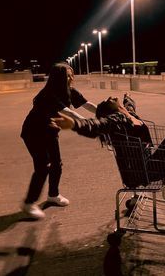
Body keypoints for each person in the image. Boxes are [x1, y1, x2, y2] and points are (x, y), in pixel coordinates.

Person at [50, 94, 165, 185]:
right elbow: (97, 125)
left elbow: (129, 107)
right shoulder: (116, 120)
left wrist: (126, 101)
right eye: (108, 100)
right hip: (143, 171)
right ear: (111, 109)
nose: (110, 97)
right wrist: (74, 124)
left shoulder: (128, 114)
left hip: (149, 162)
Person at [21, 62, 97, 219]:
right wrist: (90, 124)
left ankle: (53, 195)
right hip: (33, 132)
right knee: (43, 167)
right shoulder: (49, 93)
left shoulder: (69, 90)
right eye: (67, 75)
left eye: (71, 74)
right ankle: (29, 203)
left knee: (57, 163)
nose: (71, 78)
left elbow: (87, 104)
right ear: (58, 78)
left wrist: (106, 112)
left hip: (50, 131)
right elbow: (69, 112)